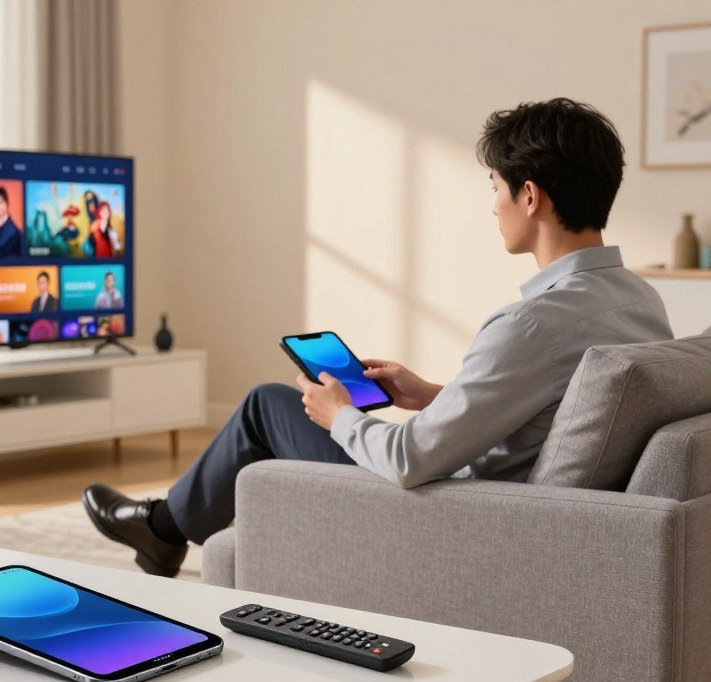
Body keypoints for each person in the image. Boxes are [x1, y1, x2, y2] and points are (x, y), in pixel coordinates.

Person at [82, 98, 673, 578]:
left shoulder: (532, 323)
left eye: (495, 186)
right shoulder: (640, 301)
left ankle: (161, 531)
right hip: (503, 491)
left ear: (529, 195)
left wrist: (340, 414)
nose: (493, 206)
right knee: (298, 404)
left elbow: (412, 460)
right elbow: (562, 410)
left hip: (454, 505)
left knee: (270, 404)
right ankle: (163, 526)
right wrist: (432, 393)